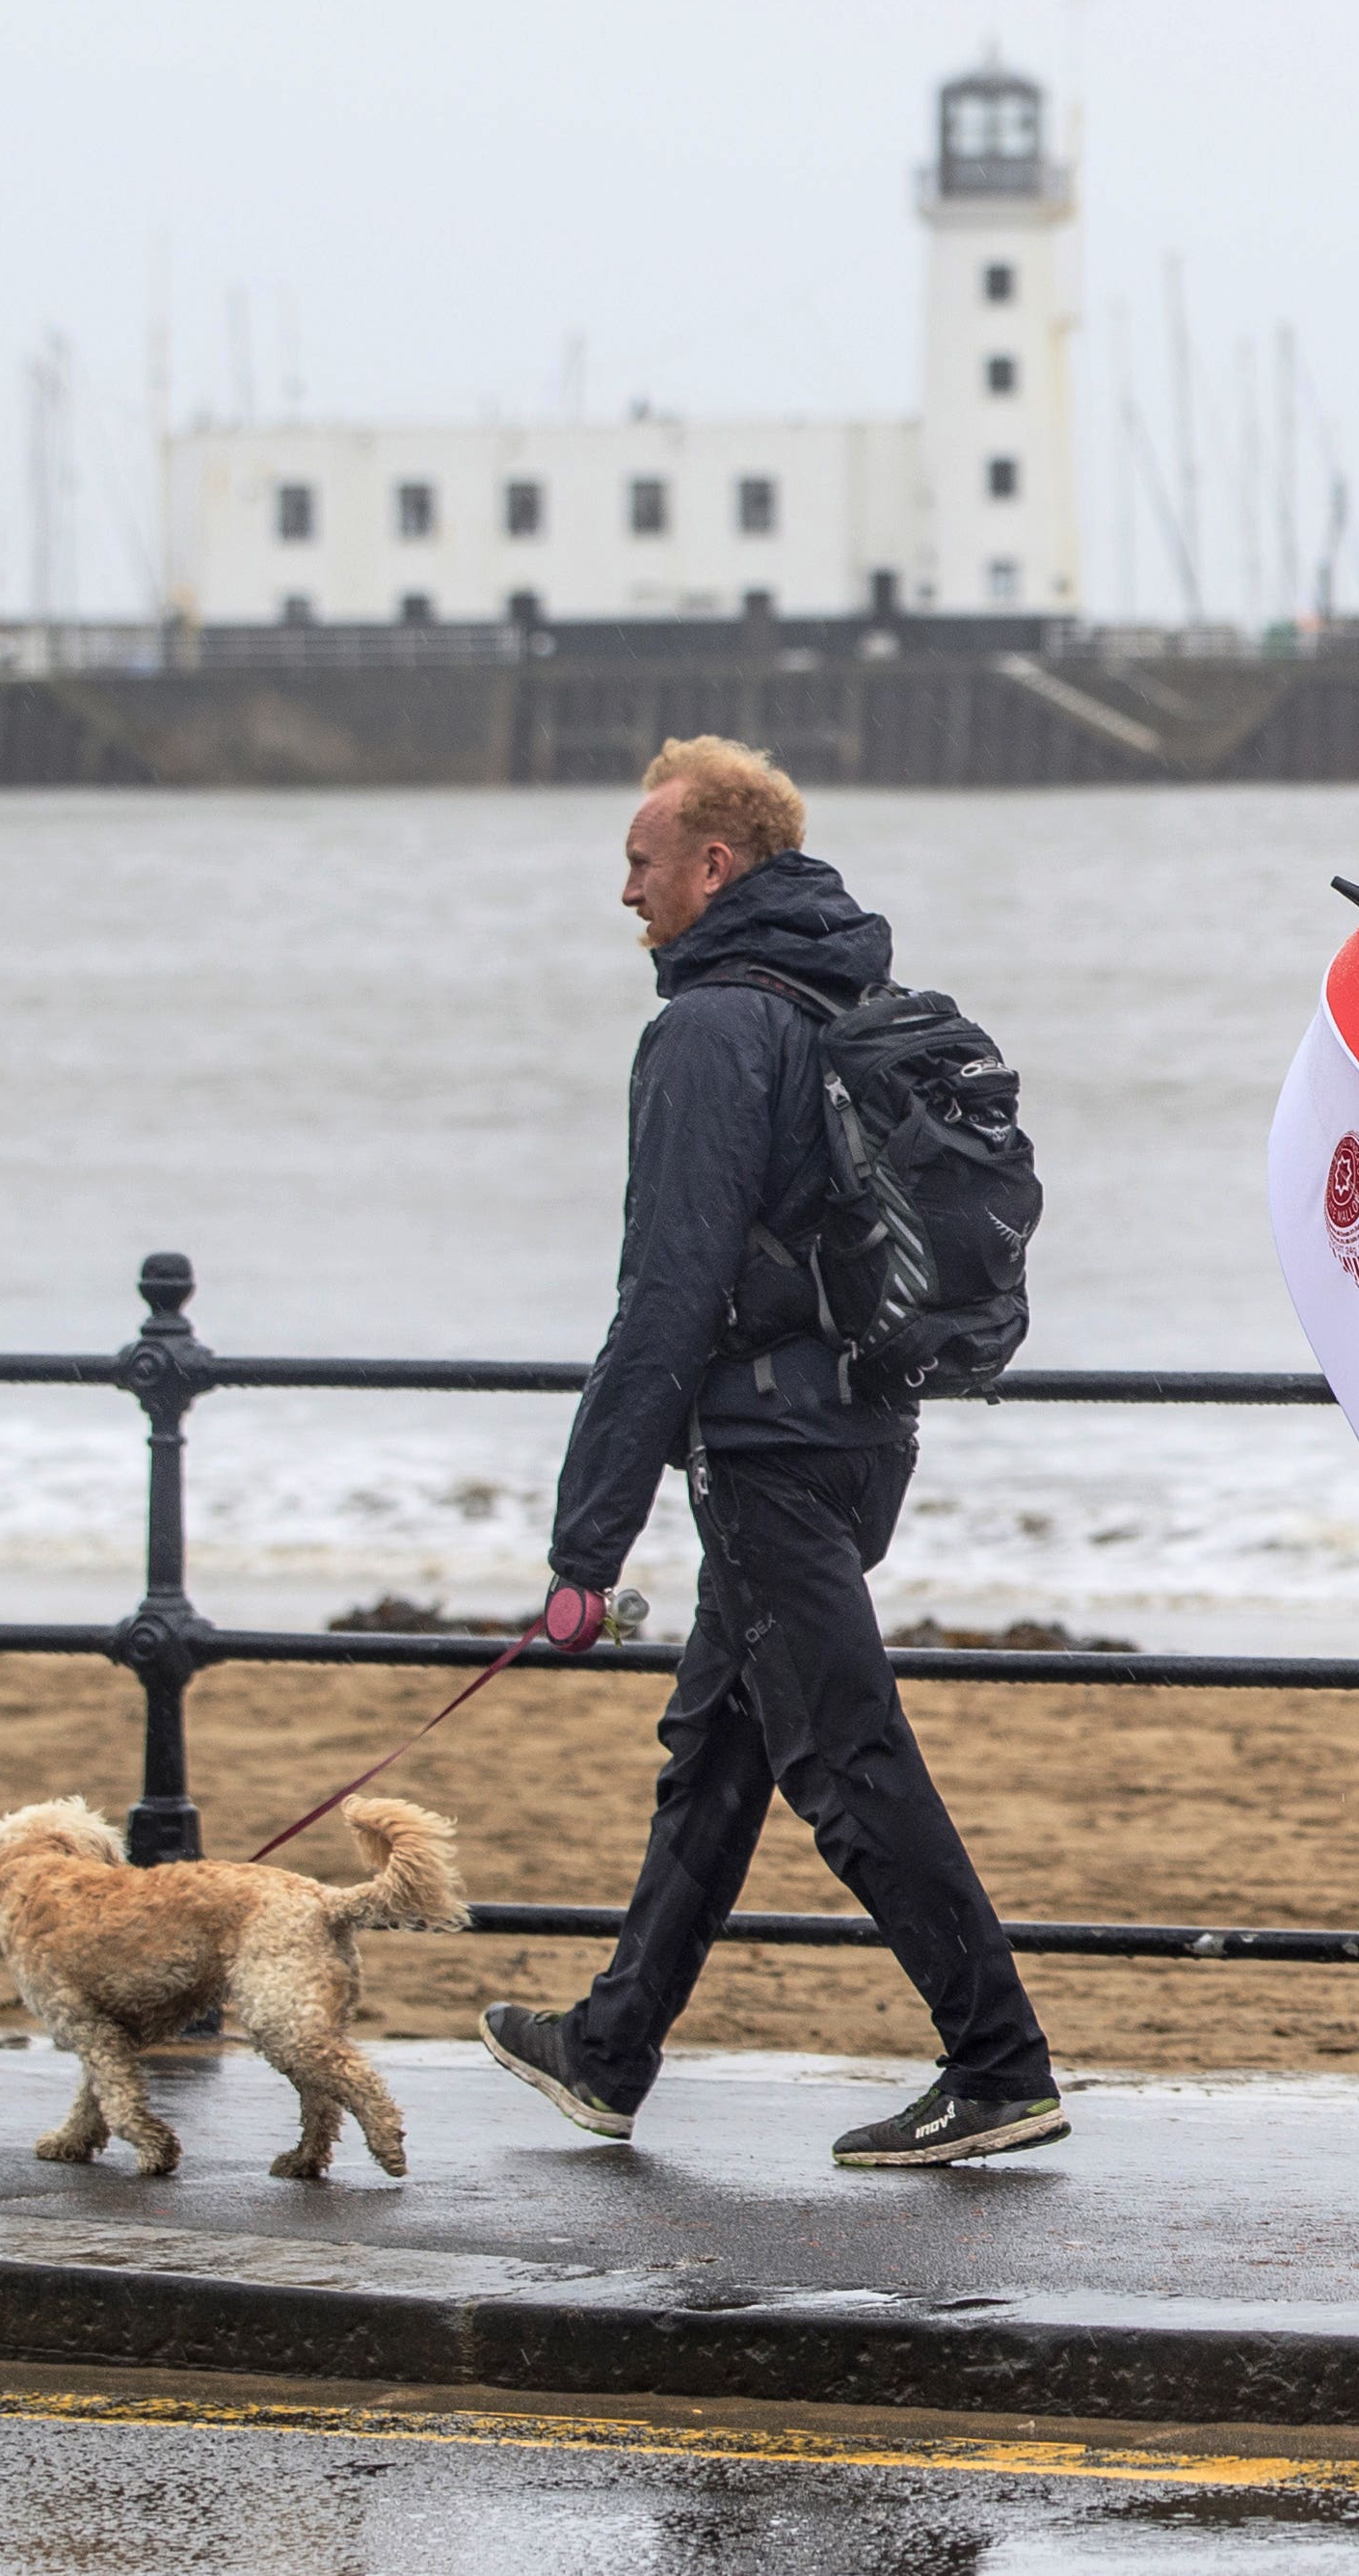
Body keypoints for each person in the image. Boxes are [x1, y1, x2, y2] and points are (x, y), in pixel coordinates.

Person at [477, 738, 1065, 2167]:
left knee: (843, 1760)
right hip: (866, 1429)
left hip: (765, 1449)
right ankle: (609, 2051)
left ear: (710, 867)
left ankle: (998, 2065)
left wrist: (583, 1552)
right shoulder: (841, 993)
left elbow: (667, 1294)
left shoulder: (707, 1032)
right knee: (719, 1748)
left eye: (640, 863)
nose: (625, 891)